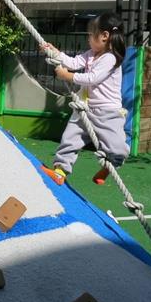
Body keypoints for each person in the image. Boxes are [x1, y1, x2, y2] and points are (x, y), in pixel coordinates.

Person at [39, 13, 129, 185]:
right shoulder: (91, 54)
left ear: (104, 36)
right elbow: (73, 62)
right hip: (85, 108)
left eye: (91, 34)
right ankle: (60, 171)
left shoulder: (110, 58)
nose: (88, 38)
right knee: (70, 138)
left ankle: (112, 164)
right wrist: (54, 52)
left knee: (115, 146)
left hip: (107, 112)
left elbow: (92, 78)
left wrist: (67, 76)